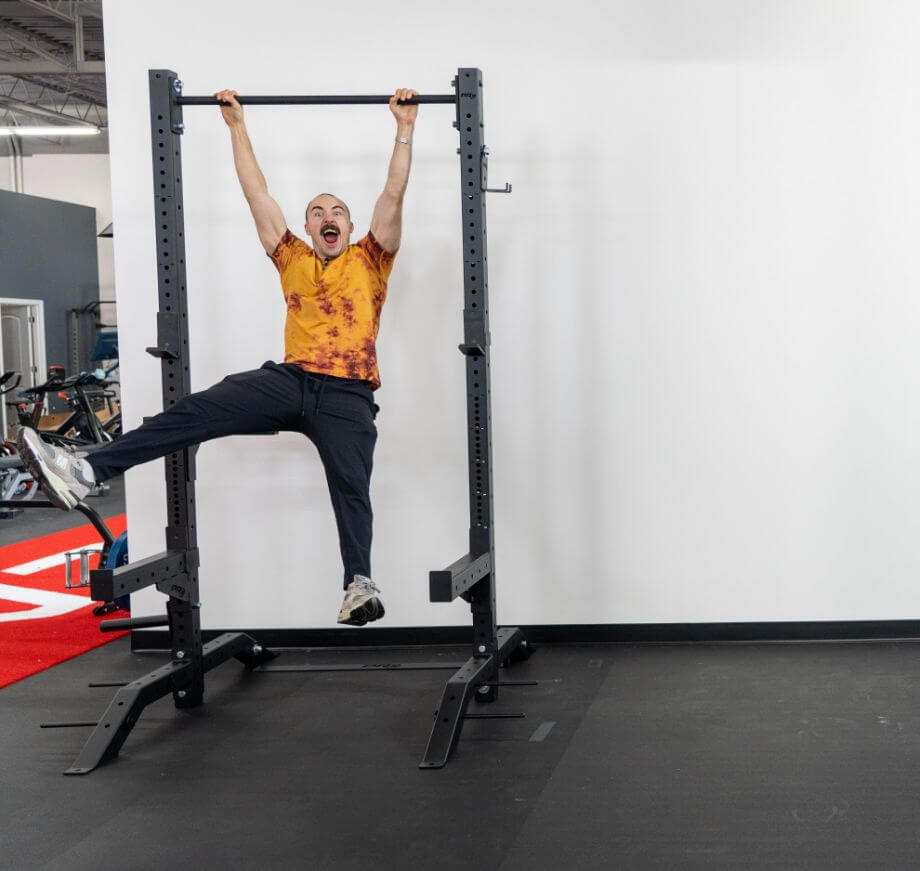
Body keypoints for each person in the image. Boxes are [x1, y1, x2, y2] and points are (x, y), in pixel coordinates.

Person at [17, 86, 419, 627]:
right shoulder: (291, 256)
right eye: (317, 212)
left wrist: (404, 128)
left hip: (349, 393)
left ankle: (358, 583)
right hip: (293, 380)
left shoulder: (372, 258)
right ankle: (88, 468)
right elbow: (256, 193)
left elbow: (392, 194)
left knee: (351, 488)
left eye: (338, 212)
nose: (329, 217)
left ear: (349, 226)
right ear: (307, 228)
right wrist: (237, 127)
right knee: (197, 411)